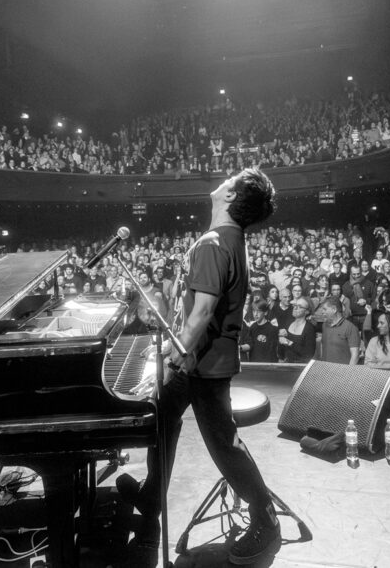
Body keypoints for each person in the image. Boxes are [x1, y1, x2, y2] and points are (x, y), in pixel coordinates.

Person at [123, 169, 282, 563]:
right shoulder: (232, 240)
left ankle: (265, 518)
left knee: (223, 446)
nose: (222, 181)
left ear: (230, 198)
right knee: (161, 420)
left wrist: (169, 358)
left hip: (202, 364)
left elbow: (203, 314)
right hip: (201, 360)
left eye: (230, 180)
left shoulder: (213, 243)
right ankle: (151, 499)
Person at [279, 297, 319, 363]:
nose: (295, 308)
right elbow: (281, 345)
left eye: (300, 306)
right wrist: (280, 337)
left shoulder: (309, 328)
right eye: (295, 305)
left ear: (307, 311)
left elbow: (308, 355)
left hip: (299, 367)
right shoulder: (288, 323)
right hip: (285, 365)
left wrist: (288, 342)